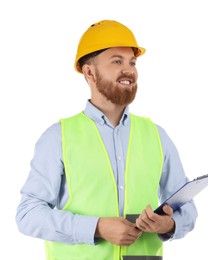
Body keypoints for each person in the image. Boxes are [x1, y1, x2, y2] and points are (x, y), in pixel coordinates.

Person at [16, 20, 198, 260]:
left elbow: (187, 209)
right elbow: (28, 214)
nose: (129, 70)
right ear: (89, 72)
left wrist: (167, 224)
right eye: (117, 61)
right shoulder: (58, 137)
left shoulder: (156, 135)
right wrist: (97, 227)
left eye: (132, 62)